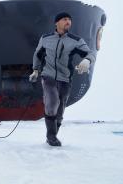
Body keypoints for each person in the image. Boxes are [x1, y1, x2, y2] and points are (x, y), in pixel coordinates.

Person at [29, 12, 95, 146]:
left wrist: (87, 61)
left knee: (60, 111)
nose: (68, 22)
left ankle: (52, 136)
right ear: (57, 22)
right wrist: (35, 70)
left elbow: (90, 53)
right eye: (65, 19)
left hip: (65, 79)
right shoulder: (46, 38)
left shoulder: (75, 40)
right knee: (52, 103)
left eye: (70, 20)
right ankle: (51, 137)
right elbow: (38, 54)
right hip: (48, 77)